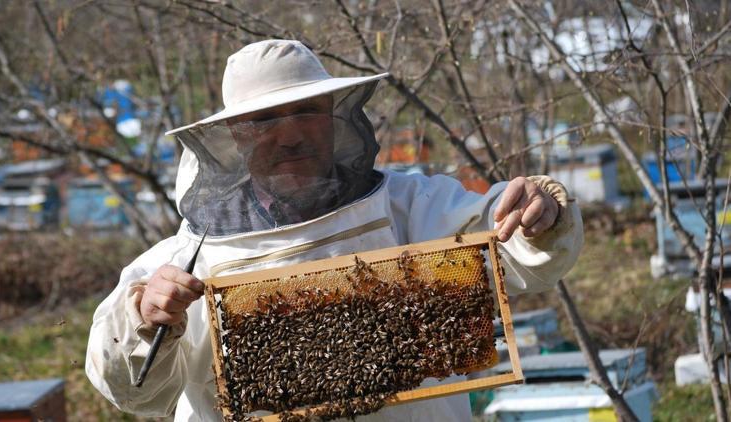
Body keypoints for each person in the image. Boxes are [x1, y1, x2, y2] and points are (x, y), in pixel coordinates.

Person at [86, 39, 583, 421]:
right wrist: (145, 319)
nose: (291, 135)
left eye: (306, 111)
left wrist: (539, 213)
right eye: (264, 120)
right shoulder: (186, 258)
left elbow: (509, 243)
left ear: (334, 116)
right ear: (235, 135)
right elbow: (133, 391)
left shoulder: (410, 209)